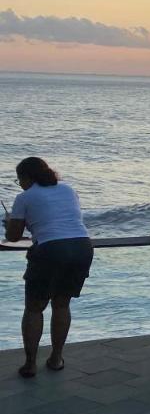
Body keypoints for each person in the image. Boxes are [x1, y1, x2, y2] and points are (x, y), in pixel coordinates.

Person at [5, 157, 94, 379]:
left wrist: (9, 223)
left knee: (35, 308)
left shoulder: (24, 197)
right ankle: (56, 359)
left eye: (20, 180)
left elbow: (13, 237)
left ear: (27, 178)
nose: (20, 184)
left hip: (51, 250)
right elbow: (63, 218)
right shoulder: (68, 189)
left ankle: (30, 365)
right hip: (82, 246)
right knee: (62, 304)